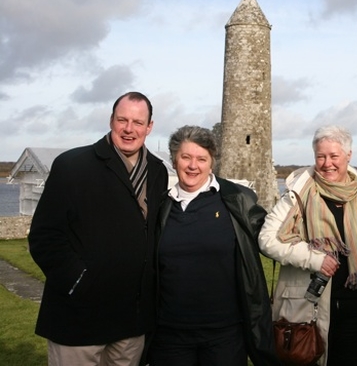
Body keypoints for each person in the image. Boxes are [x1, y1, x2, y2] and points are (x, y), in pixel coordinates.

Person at [28, 92, 168, 366]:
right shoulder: (73, 166)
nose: (130, 129)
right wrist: (78, 282)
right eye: (122, 120)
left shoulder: (157, 171)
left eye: (138, 122)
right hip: (79, 318)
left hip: (132, 322)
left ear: (149, 127)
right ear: (111, 121)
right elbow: (45, 237)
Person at [147, 125, 278, 366]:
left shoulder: (237, 200)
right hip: (169, 333)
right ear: (174, 160)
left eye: (201, 159)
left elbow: (273, 236)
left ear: (212, 162)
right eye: (185, 157)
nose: (193, 166)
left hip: (225, 334)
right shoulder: (160, 206)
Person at [258, 125, 357, 366]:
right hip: (309, 306)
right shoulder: (299, 190)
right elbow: (267, 239)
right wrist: (314, 258)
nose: (327, 163)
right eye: (321, 156)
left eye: (334, 156)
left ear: (348, 155)